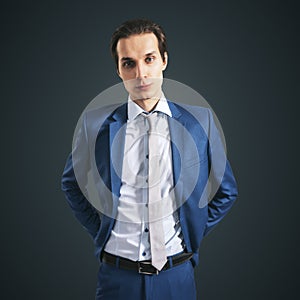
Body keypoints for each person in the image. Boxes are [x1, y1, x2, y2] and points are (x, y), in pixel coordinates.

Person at [61, 18, 238, 300]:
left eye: (149, 59)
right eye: (129, 63)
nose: (141, 73)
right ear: (119, 70)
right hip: (116, 279)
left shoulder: (199, 122)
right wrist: (102, 232)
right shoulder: (95, 124)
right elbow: (71, 185)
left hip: (176, 276)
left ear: (164, 60)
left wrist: (192, 231)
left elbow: (226, 191)